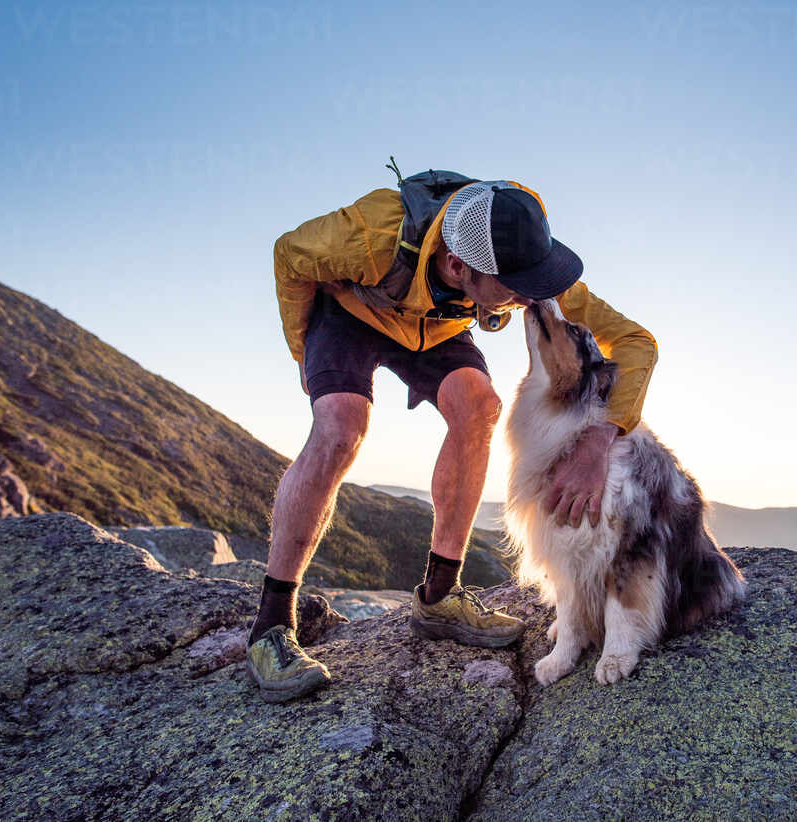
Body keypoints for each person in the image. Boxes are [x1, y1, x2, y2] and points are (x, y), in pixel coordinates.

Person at [245, 166, 658, 703]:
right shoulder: (368, 234)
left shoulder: (521, 265)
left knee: (478, 405)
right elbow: (289, 254)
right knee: (341, 426)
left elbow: (635, 341)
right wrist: (305, 354)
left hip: (433, 326)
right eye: (514, 291)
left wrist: (603, 436)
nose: (531, 299)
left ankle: (440, 597)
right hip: (352, 310)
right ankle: (272, 625)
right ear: (459, 266)